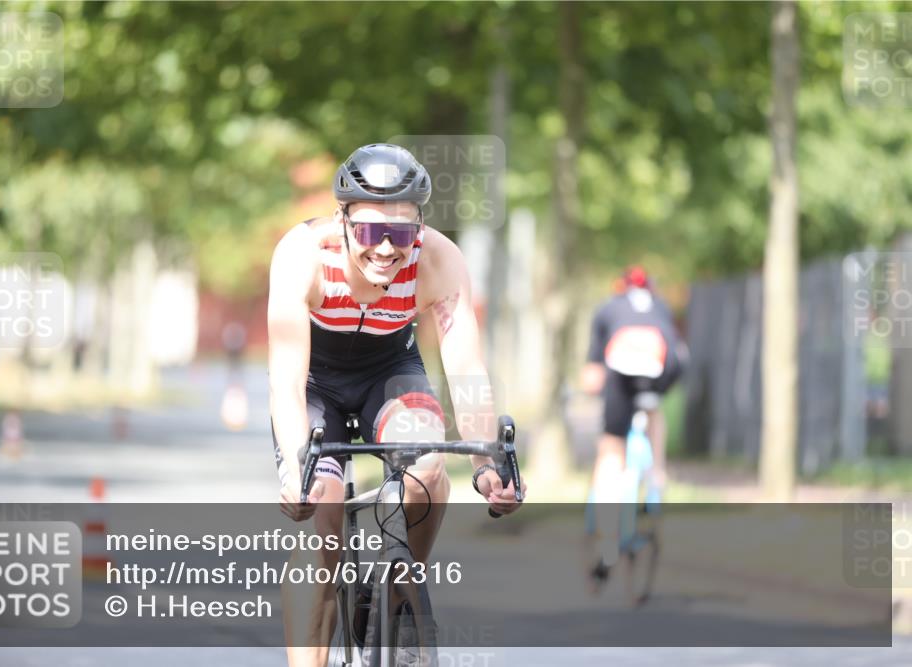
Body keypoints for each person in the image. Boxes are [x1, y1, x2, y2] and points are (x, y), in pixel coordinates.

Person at [267, 143, 524, 666]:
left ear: (421, 227)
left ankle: (402, 590)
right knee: (324, 511)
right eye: (368, 231)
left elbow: (467, 369)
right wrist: (297, 469)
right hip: (317, 381)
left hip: (389, 370)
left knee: (429, 470)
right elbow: (288, 383)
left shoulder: (439, 259)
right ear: (342, 220)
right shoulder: (302, 256)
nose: (385, 249)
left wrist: (486, 464)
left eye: (401, 233)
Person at [579, 266, 684, 572]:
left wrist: (593, 393)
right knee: (653, 410)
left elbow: (592, 376)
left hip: (622, 368)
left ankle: (605, 538)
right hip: (665, 365)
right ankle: (657, 474)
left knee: (612, 448)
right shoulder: (661, 306)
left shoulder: (608, 309)